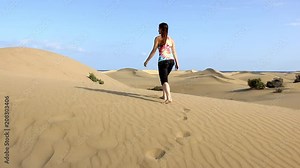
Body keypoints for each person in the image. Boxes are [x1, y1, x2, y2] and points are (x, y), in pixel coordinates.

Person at [144, 22, 179, 104]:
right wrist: (177, 63)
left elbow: (153, 51)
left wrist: (147, 60)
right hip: (171, 61)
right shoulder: (171, 40)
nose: (157, 30)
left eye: (159, 28)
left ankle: (169, 98)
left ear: (162, 29)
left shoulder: (158, 38)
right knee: (165, 77)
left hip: (163, 62)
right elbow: (174, 52)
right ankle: (164, 95)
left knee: (164, 80)